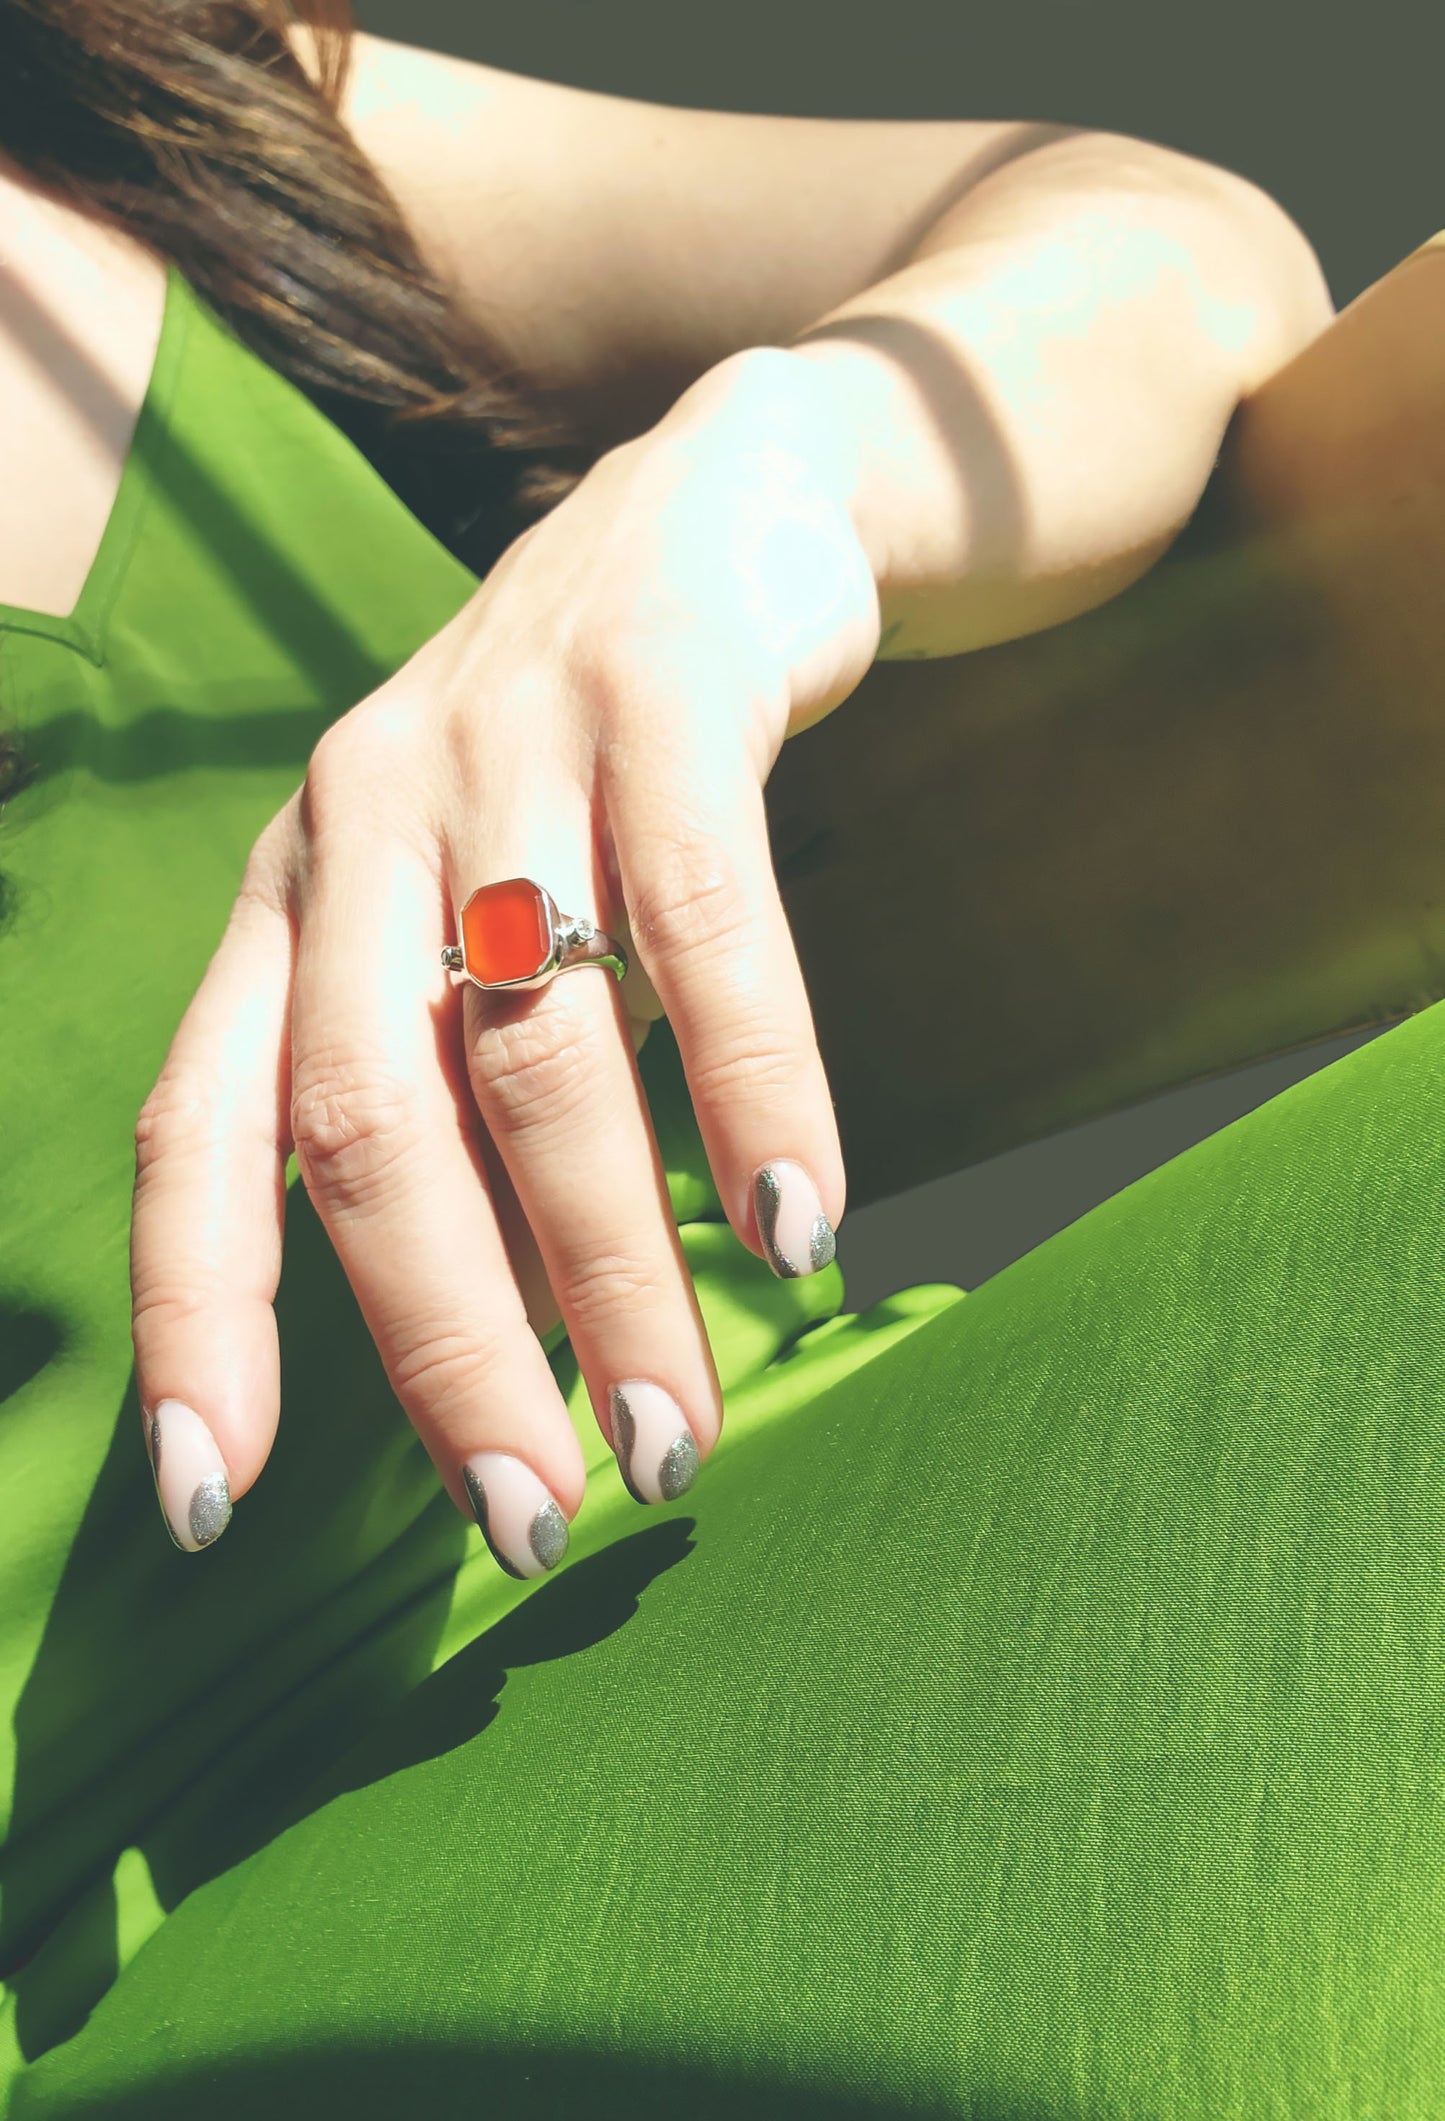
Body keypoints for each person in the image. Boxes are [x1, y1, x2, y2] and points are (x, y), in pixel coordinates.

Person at [3, 1, 1444, 2110]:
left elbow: (1167, 242)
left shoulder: (146, 95)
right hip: (204, 1995)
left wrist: (754, 483)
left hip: (895, 1498)